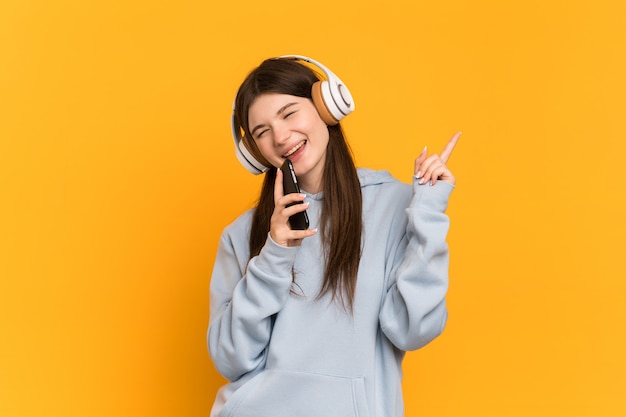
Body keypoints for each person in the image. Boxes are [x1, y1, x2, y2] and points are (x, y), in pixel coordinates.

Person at [207, 55, 460, 417]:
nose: (280, 137)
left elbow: (412, 328)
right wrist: (275, 253)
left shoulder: (395, 205)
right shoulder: (242, 234)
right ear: (254, 152)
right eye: (261, 132)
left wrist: (428, 214)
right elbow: (231, 359)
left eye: (289, 113)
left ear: (327, 107)